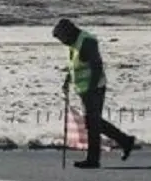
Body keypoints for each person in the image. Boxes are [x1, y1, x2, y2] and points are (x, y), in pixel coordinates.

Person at [53, 18, 136, 168]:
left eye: (62, 39)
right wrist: (67, 81)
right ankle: (126, 141)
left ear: (68, 32)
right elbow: (74, 66)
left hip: (94, 88)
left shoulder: (87, 42)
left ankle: (93, 159)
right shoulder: (74, 43)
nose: (63, 43)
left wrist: (91, 89)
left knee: (92, 123)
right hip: (84, 89)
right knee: (94, 121)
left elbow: (96, 67)